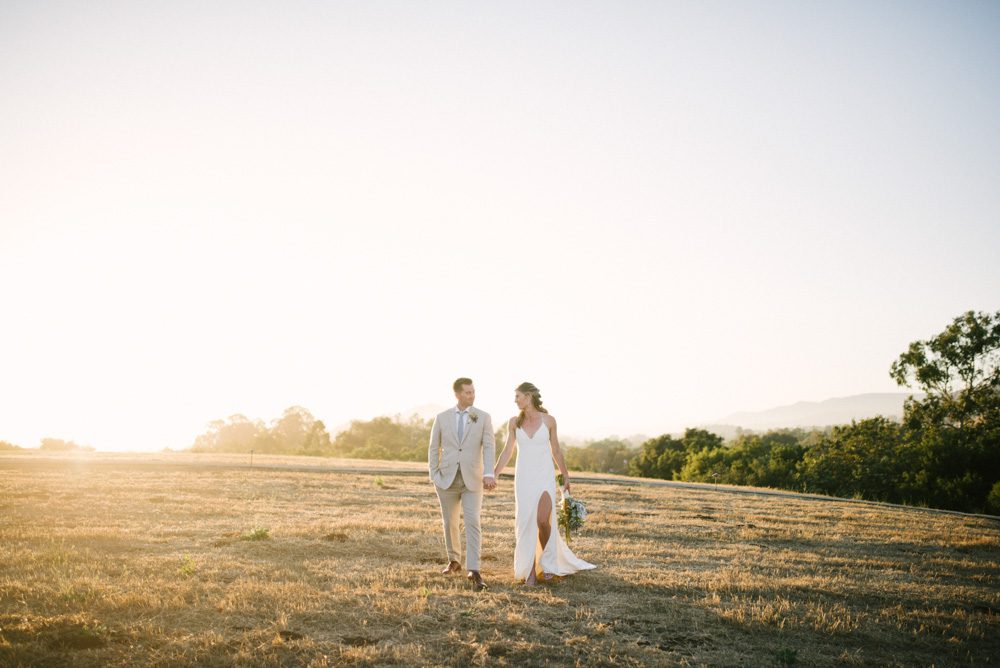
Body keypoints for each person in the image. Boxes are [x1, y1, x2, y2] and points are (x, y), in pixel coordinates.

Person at [494, 382, 595, 586]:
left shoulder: (549, 420)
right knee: (526, 524)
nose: (515, 400)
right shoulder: (514, 422)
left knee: (542, 520)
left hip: (544, 476)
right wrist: (494, 474)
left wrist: (565, 475)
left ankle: (547, 562)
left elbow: (556, 450)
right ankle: (530, 571)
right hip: (524, 478)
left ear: (529, 396)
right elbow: (507, 451)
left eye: (518, 396)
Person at [428, 378, 496, 591]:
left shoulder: (483, 417)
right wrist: (434, 474)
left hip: (473, 479)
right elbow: (433, 448)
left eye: (473, 392)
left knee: (472, 522)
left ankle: (474, 570)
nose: (472, 395)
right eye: (467, 392)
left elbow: (489, 447)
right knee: (449, 521)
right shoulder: (441, 418)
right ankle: (454, 561)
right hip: (446, 478)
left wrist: (488, 473)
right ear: (457, 394)